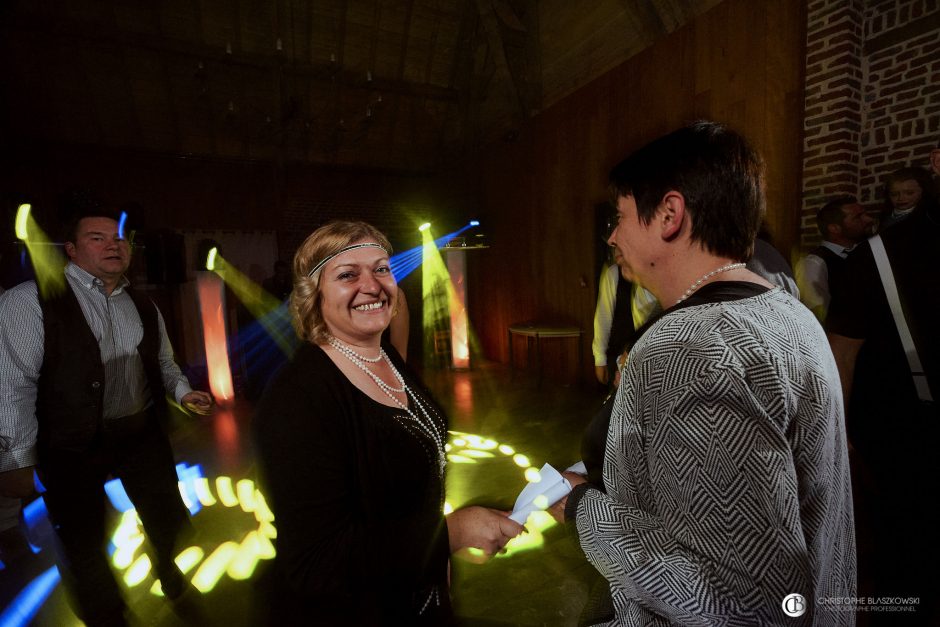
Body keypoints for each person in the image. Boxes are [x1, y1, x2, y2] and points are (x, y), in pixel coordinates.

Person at [549, 121, 855, 624]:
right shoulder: (788, 312)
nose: (611, 236)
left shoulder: (691, 346)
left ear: (669, 214)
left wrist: (584, 510)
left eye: (620, 216)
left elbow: (738, 599)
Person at [252, 221, 523, 625]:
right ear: (314, 294)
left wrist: (437, 560)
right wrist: (449, 534)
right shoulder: (298, 400)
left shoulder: (387, 360)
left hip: (417, 592)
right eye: (347, 274)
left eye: (381, 268)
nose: (372, 285)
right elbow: (316, 563)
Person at [0, 208, 214, 626]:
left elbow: (164, 364)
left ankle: (166, 566)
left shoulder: (142, 301)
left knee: (168, 515)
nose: (114, 244)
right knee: (83, 542)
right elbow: (11, 385)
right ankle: (107, 617)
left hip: (139, 431)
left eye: (119, 238)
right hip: (69, 443)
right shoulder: (28, 302)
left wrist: (184, 394)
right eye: (97, 238)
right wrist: (16, 458)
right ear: (72, 250)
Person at [827, 145, 940, 625]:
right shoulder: (877, 255)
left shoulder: (876, 253)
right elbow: (841, 351)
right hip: (908, 436)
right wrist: (837, 441)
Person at [795, 196, 874, 321]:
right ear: (834, 228)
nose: (868, 219)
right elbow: (818, 316)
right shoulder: (814, 263)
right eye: (858, 217)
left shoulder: (865, 254)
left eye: (865, 214)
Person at [592, 247, 659, 387]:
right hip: (617, 353)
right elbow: (603, 318)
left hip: (653, 360)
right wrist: (600, 359)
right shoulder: (614, 274)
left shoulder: (663, 277)